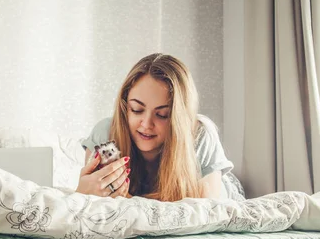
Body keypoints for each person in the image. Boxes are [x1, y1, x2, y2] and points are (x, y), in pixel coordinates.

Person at [77, 53, 234, 201]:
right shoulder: (106, 134)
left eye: (162, 115)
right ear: (125, 106)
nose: (146, 124)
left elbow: (208, 211)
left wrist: (129, 201)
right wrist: (82, 193)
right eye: (136, 110)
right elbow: (91, 203)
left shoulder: (199, 136)